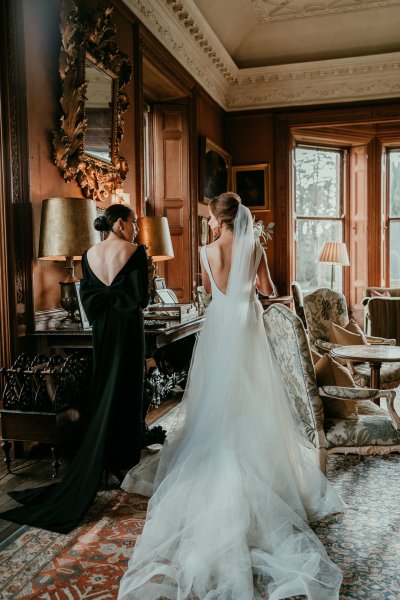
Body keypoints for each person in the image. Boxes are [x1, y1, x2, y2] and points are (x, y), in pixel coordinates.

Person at [118, 193, 345, 600]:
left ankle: (218, 467)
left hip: (219, 327)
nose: (207, 222)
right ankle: (264, 473)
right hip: (248, 326)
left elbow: (211, 292)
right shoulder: (254, 244)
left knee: (214, 402)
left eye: (208, 217)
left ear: (219, 220)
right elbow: (267, 288)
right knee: (255, 397)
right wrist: (252, 286)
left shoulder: (206, 251)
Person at [0, 204, 150, 533]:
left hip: (103, 331)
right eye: (134, 223)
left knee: (104, 386)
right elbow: (141, 298)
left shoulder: (88, 254)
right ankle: (121, 463)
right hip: (128, 330)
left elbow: (91, 298)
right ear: (121, 224)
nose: (137, 229)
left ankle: (103, 456)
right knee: (127, 389)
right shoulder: (136, 252)